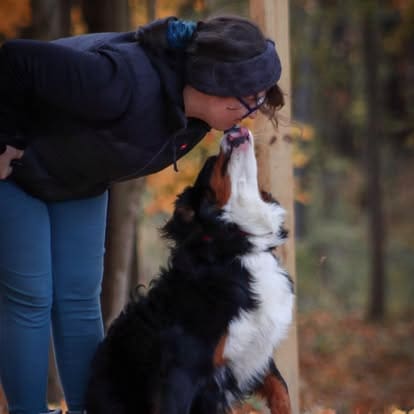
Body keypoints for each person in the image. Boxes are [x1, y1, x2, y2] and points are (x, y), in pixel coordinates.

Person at [0, 14, 284, 414]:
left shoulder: (197, 121)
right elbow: (15, 60)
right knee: (31, 294)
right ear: (219, 84)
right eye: (251, 99)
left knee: (79, 296)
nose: (252, 113)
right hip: (13, 166)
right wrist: (6, 141)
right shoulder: (122, 82)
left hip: (76, 177)